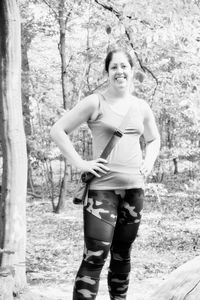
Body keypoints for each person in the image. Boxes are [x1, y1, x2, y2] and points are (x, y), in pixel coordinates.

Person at [50, 48, 160, 300]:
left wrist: (149, 161)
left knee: (122, 255)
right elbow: (58, 130)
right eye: (114, 67)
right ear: (107, 72)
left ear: (132, 71)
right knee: (95, 256)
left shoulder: (141, 107)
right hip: (101, 193)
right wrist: (80, 163)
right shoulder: (95, 102)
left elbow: (154, 139)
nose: (120, 71)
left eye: (124, 66)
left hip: (134, 191)